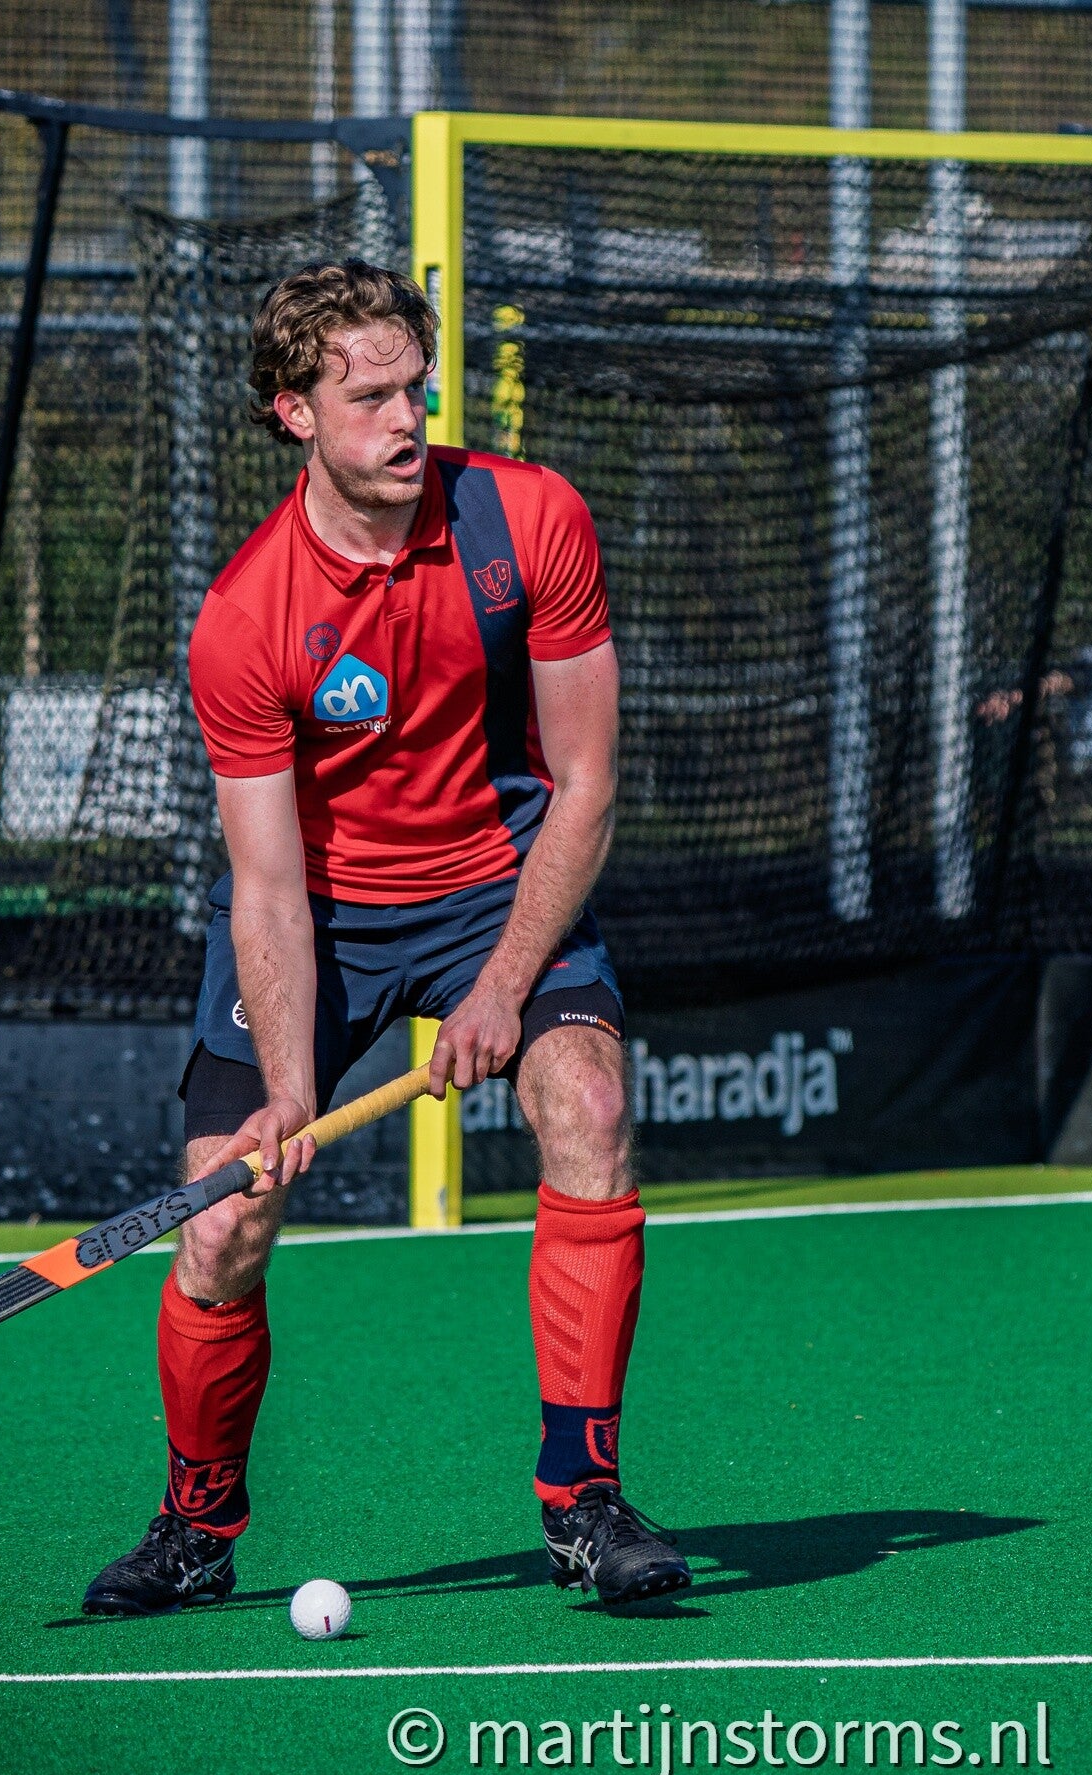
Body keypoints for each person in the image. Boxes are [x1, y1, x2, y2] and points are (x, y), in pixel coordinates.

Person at [81, 259, 690, 1614]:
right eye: (369, 397)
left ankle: (583, 1500)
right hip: (324, 911)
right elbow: (265, 884)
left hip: (500, 883)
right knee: (222, 1220)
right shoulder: (247, 618)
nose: (407, 419)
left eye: (415, 387)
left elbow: (587, 783)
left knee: (589, 1106)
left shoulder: (527, 519)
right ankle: (197, 1524)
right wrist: (291, 1089)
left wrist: (502, 983)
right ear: (295, 412)